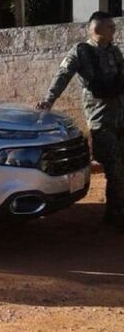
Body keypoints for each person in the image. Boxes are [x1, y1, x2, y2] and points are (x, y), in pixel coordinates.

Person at [36, 11, 124, 229]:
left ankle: (116, 213)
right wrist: (48, 101)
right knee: (114, 168)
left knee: (121, 168)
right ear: (97, 30)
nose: (114, 30)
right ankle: (115, 217)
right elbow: (62, 75)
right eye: (110, 27)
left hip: (121, 117)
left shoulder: (114, 52)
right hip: (101, 119)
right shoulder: (81, 52)